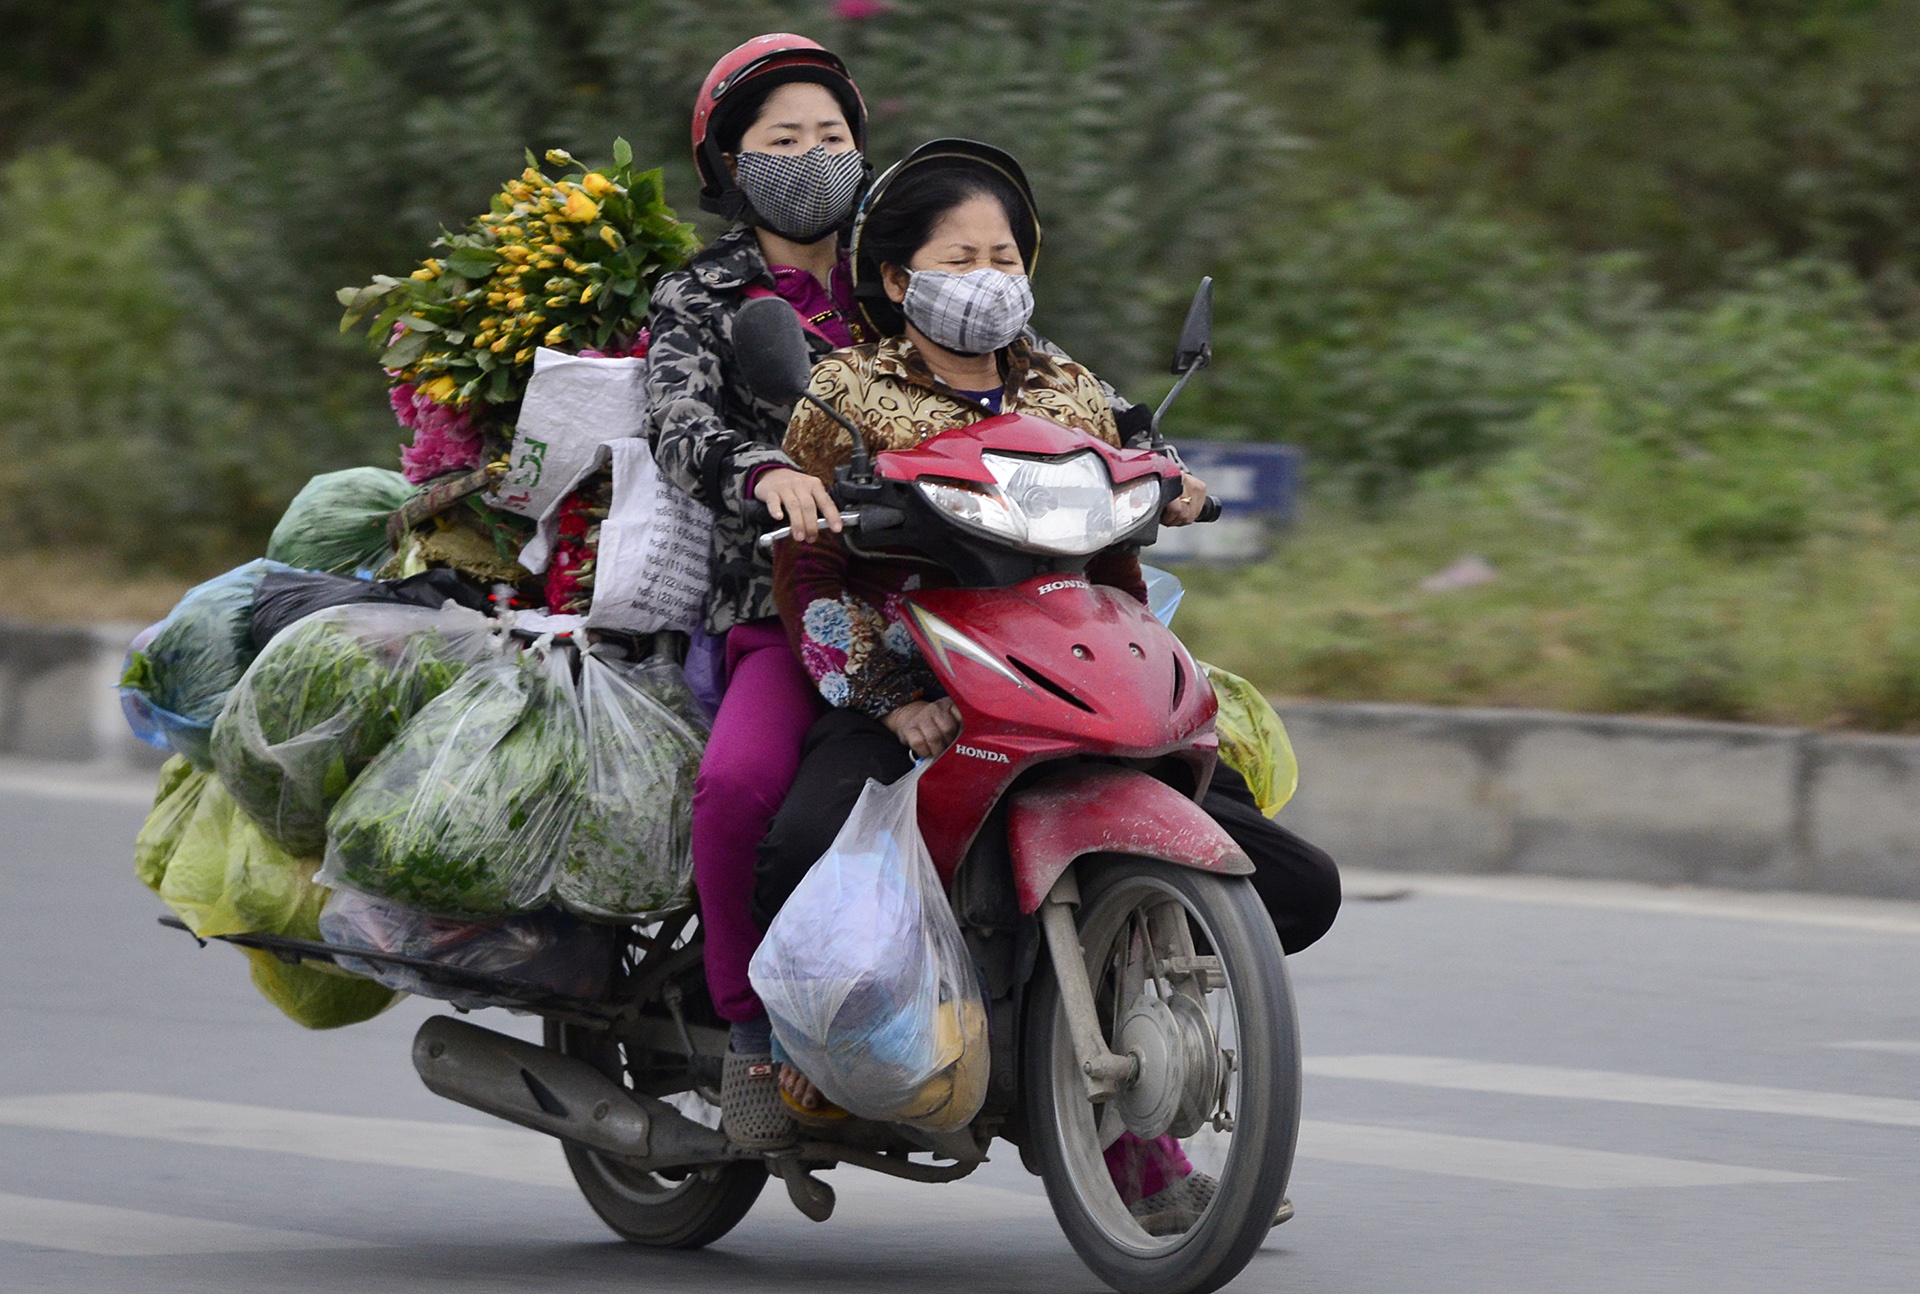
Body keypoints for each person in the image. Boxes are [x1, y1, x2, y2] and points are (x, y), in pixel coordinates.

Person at [757, 140, 1341, 1231]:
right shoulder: (842, 392)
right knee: (804, 843)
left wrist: (1173, 487)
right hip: (920, 678)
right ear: (897, 277)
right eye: (960, 257)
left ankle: (1084, 1045)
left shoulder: (1068, 386)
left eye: (1005, 256)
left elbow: (1137, 470)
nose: (988, 277)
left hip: (1069, 666)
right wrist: (885, 696)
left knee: (1292, 874)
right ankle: (789, 1056)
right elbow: (810, 569)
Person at [642, 33, 874, 1152]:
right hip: (786, 596)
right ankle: (747, 1033)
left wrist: (1135, 452)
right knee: (737, 790)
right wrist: (763, 470)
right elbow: (679, 420)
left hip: (949, 584)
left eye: (831, 135)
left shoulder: (905, 271)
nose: (814, 156)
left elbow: (1024, 371)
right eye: (784, 139)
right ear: (732, 163)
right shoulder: (702, 293)